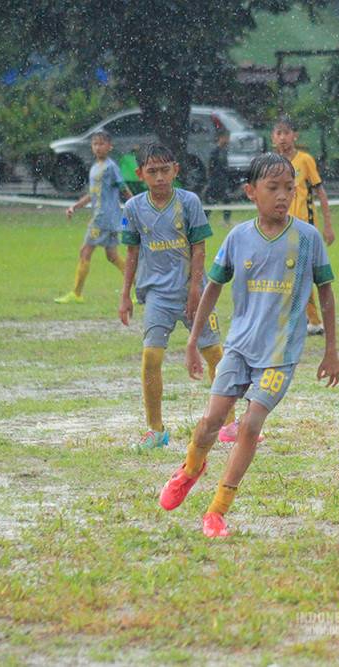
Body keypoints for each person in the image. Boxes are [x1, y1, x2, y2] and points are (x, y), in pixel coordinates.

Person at [157, 152, 339, 539]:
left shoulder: (307, 239)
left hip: (280, 355)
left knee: (249, 426)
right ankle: (191, 469)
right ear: (250, 192)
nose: (283, 196)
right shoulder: (238, 237)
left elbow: (325, 292)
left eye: (289, 189)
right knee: (213, 420)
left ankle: (217, 511)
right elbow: (213, 287)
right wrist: (193, 341)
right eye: (272, 188)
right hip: (239, 348)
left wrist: (331, 350)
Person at [118, 142, 226, 452]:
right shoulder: (133, 208)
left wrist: (195, 289)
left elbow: (199, 247)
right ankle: (156, 430)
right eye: (152, 172)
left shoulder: (189, 202)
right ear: (141, 175)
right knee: (151, 357)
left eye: (166, 170)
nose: (160, 177)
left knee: (214, 355)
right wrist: (125, 294)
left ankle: (229, 423)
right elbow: (132, 251)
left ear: (176, 171)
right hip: (156, 295)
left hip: (194, 293)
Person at [271, 115, 335, 336]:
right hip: (280, 227)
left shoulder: (305, 160)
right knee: (282, 271)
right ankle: (298, 319)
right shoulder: (273, 164)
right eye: (278, 133)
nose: (282, 138)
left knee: (303, 273)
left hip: (304, 227)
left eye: (286, 133)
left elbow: (320, 192)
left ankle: (314, 320)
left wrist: (328, 226)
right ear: (272, 138)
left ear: (295, 136)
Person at [55, 131, 134, 304]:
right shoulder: (95, 167)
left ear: (110, 146)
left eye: (101, 144)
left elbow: (124, 188)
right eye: (95, 144)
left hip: (102, 219)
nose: (97, 147)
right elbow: (92, 194)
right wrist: (74, 207)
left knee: (85, 251)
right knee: (112, 256)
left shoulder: (110, 167)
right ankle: (141, 290)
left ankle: (76, 293)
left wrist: (137, 206)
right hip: (106, 219)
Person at [206, 123, 233, 227]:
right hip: (215, 181)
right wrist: (212, 180)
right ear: (221, 137)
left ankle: (226, 221)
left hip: (222, 181)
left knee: (226, 201)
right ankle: (204, 221)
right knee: (211, 203)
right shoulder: (215, 151)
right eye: (226, 137)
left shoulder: (224, 151)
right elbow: (211, 167)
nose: (228, 140)